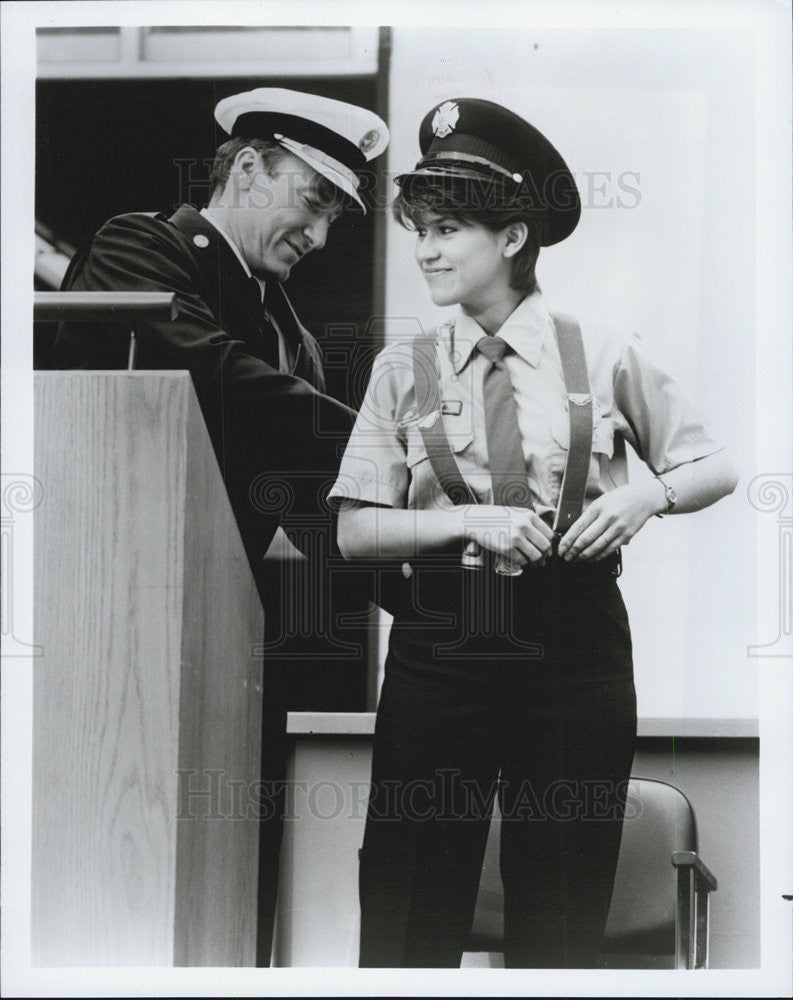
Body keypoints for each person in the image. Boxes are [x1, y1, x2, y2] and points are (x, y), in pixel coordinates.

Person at [329, 97, 738, 968]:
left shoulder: (602, 348)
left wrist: (643, 499)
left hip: (574, 645)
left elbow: (713, 466)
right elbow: (355, 535)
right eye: (420, 230)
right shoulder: (402, 365)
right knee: (409, 897)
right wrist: (466, 520)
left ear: (512, 238)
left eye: (447, 229)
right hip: (440, 644)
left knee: (560, 898)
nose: (426, 250)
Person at [51, 86, 389, 964]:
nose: (317, 239)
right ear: (246, 167)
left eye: (332, 221)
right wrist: (392, 445)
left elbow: (331, 523)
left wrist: (455, 574)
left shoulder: (293, 339)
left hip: (225, 654)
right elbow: (208, 371)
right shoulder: (142, 245)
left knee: (236, 908)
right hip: (108, 642)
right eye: (312, 203)